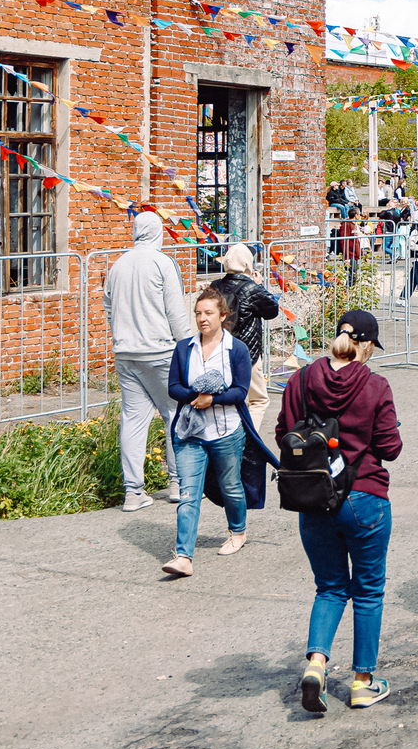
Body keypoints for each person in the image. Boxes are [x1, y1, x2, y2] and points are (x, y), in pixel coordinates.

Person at [288, 309, 402, 713]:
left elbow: (287, 432)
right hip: (363, 496)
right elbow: (390, 448)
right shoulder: (375, 385)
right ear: (367, 345)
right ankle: (362, 682)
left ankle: (316, 666)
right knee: (367, 591)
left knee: (330, 587)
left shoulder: (301, 379)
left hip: (314, 496)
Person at [162, 287, 273, 577]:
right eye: (198, 313)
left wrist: (212, 398)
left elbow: (240, 391)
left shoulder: (236, 349)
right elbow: (173, 387)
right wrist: (193, 393)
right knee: (188, 494)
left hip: (226, 431)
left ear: (223, 316)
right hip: (190, 433)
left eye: (208, 313)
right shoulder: (184, 348)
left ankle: (238, 531)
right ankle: (183, 557)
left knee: (231, 486)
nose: (202, 319)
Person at [104, 210, 191, 511]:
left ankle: (133, 491)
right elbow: (176, 311)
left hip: (126, 352)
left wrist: (121, 337)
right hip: (160, 351)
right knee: (174, 413)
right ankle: (178, 483)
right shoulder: (162, 263)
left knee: (133, 419)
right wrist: (188, 346)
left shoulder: (118, 264)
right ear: (157, 232)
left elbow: (109, 307)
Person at [210, 243, 283, 417]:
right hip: (247, 352)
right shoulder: (251, 288)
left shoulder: (215, 285)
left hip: (220, 349)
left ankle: (237, 437)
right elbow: (272, 311)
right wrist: (259, 285)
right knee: (258, 400)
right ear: (247, 264)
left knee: (234, 397)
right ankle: (250, 441)